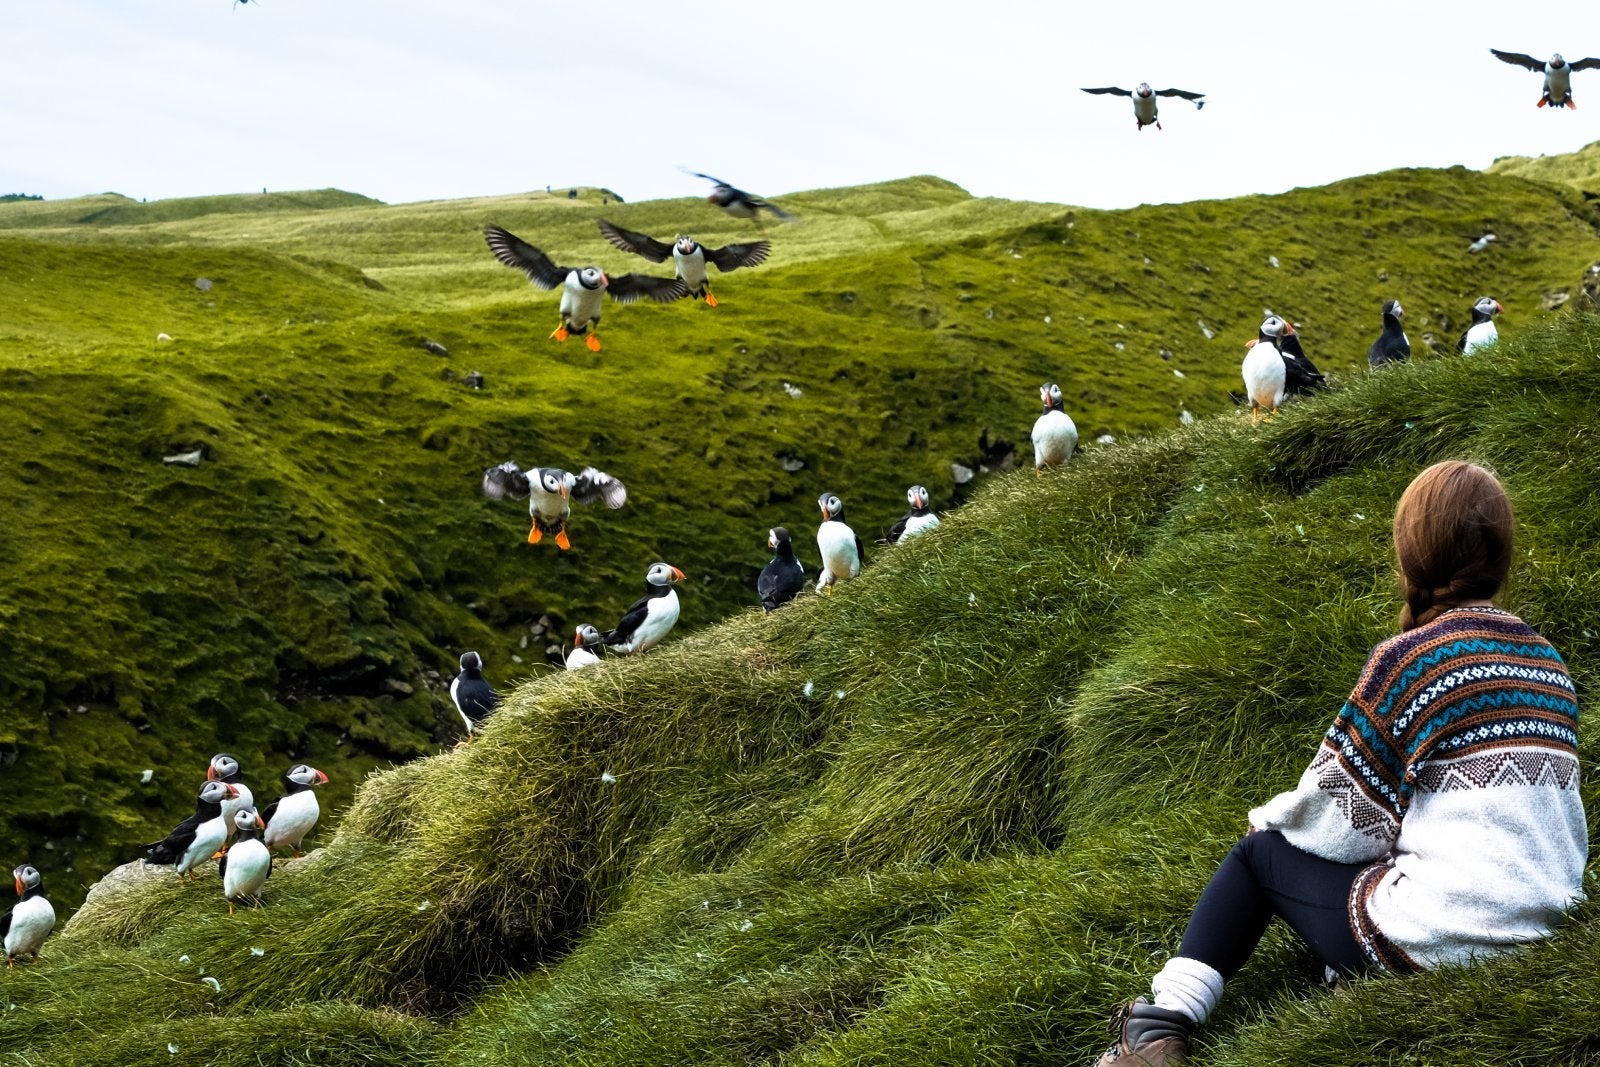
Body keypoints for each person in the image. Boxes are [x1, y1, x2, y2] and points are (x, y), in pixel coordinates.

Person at [1095, 460, 1586, 1066]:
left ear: (1410, 556)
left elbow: (1336, 817)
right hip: (1543, 921)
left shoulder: (1410, 661)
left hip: (1453, 930)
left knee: (1259, 858)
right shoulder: (1550, 666)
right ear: (1500, 558)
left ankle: (1156, 1026)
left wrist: (1269, 823)